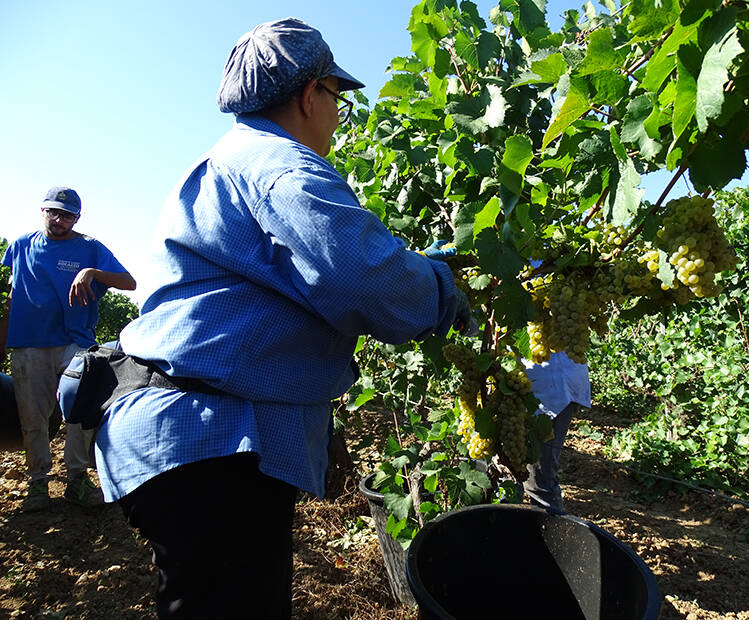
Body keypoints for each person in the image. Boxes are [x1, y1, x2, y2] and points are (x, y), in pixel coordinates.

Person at [93, 18, 469, 619]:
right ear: (307, 94)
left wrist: (418, 271)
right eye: (336, 96)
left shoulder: (228, 161)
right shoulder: (281, 167)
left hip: (183, 435)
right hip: (210, 441)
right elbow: (368, 282)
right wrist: (441, 289)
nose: (340, 114)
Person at [0, 187, 136, 512]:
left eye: (67, 215)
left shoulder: (89, 248)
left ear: (77, 218)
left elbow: (128, 282)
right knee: (31, 415)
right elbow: (9, 296)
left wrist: (91, 272)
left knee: (80, 407)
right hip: (30, 343)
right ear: (42, 210)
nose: (59, 220)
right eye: (54, 212)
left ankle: (77, 478)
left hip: (76, 341)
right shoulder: (20, 246)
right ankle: (37, 484)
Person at [523, 351, 591, 515]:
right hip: (532, 382)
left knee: (540, 478)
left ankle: (550, 536)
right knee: (505, 472)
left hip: (547, 387)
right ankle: (502, 530)